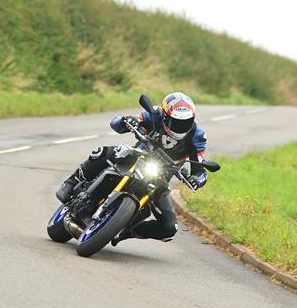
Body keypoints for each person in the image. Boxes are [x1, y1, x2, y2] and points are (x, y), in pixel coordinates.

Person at [55, 92, 208, 243]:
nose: (180, 127)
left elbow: (200, 169)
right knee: (101, 153)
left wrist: (197, 179)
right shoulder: (154, 113)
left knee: (170, 227)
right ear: (165, 115)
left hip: (159, 178)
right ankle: (71, 182)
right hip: (136, 157)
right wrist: (128, 121)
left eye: (185, 122)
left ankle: (128, 231)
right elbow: (116, 124)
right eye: (175, 122)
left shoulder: (198, 135)